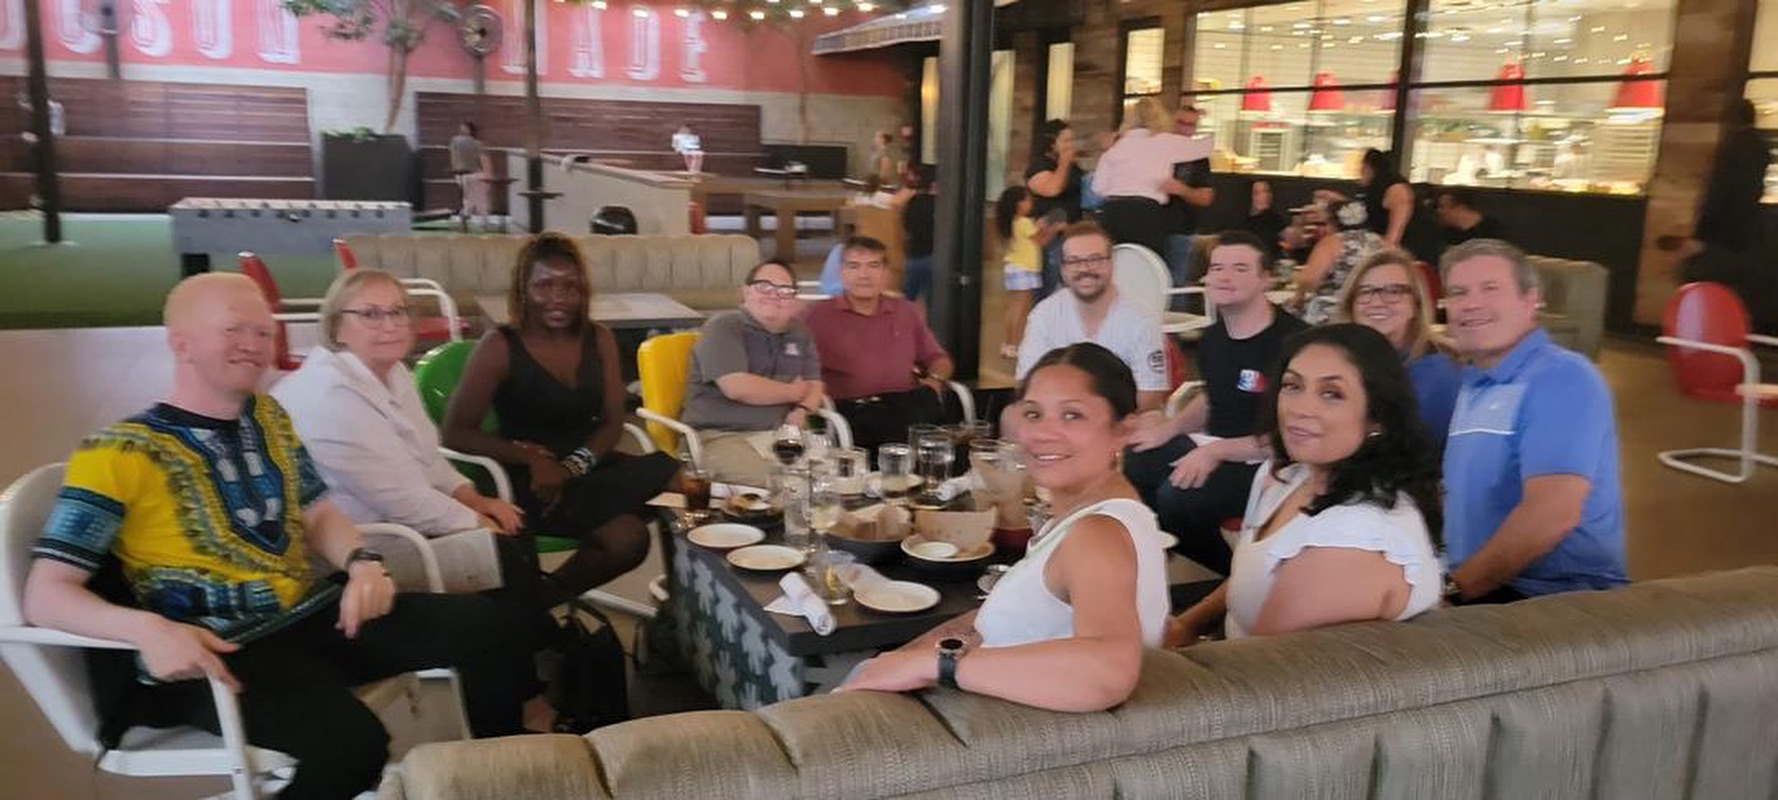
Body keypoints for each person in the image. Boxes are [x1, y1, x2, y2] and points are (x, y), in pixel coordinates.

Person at [24, 274, 533, 799]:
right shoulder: (116, 454)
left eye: (264, 332)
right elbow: (46, 594)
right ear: (180, 341)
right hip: (220, 651)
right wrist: (147, 630)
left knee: (494, 627)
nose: (252, 344)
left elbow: (318, 514)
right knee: (350, 747)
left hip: (309, 616)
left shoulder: (267, 417)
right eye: (233, 329)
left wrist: (361, 561)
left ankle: (499, 778)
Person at [839, 343, 1169, 712]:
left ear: (1124, 431)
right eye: (1033, 413)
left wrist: (936, 665)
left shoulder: (1097, 534)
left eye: (1073, 415)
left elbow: (1107, 671)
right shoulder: (1102, 516)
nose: (1045, 433)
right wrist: (901, 659)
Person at [1164, 324, 1443, 644]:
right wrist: (1188, 623)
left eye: (1331, 394)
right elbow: (1260, 573)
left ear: (1377, 416)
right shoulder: (1294, 476)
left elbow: (1262, 678)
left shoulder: (1351, 539)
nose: (1300, 409)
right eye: (1293, 386)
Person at [442, 233, 680, 607]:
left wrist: (571, 468)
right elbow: (455, 432)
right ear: (523, 288)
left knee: (682, 478)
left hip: (586, 465)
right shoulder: (500, 346)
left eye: (570, 287)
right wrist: (533, 459)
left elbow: (612, 424)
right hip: (526, 480)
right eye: (544, 286)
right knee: (627, 539)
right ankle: (535, 611)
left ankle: (535, 606)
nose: (558, 298)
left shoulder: (598, 338)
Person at [1440, 239, 1628, 604]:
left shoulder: (1560, 377)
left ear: (1531, 300)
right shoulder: (1475, 381)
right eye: (1458, 292)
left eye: (1490, 288)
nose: (1471, 303)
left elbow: (1551, 515)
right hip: (1487, 585)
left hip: (1550, 600)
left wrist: (1453, 592)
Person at [1125, 231, 1309, 574]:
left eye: (1240, 268)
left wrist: (1215, 452)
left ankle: (1224, 577)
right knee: (1136, 458)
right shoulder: (1213, 338)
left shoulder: (1294, 343)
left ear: (1266, 278)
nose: (1225, 277)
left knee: (1177, 495)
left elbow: (1290, 439)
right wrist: (1169, 429)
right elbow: (1213, 397)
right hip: (1218, 447)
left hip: (1272, 463)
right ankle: (1158, 560)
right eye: (1217, 267)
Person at [680, 259, 829, 487]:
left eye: (784, 290)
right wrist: (793, 392)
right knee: (784, 485)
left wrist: (802, 409)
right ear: (745, 292)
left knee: (832, 478)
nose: (774, 295)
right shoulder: (724, 327)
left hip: (782, 435)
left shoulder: (800, 333)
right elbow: (737, 388)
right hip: (721, 436)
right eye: (764, 287)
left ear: (793, 299)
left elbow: (814, 383)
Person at [805, 236, 956, 452]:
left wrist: (936, 379)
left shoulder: (905, 311)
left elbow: (938, 359)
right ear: (842, 273)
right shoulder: (818, 316)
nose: (864, 275)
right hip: (853, 410)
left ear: (886, 274)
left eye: (873, 266)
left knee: (947, 449)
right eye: (854, 266)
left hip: (906, 406)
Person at [1013, 221, 1169, 414]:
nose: (1085, 269)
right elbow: (1026, 383)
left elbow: (1150, 396)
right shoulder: (1044, 314)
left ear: (1111, 262)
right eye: (1074, 261)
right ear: (1062, 269)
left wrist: (1094, 422)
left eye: (1095, 259)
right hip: (1058, 420)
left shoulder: (1141, 319)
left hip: (1121, 423)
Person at [1333, 250, 1462, 452]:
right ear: (1352, 305)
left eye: (1394, 291)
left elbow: (1415, 452)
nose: (1377, 301)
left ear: (1416, 305)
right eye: (1366, 291)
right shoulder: (1338, 360)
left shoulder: (1437, 374)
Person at [1092, 98, 1212, 261]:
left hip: (1113, 213)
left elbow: (1097, 187)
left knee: (1113, 265)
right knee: (1149, 266)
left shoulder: (1116, 147)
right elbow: (1207, 147)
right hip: (1147, 215)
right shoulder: (1165, 142)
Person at [1320, 149, 1440, 262]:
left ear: (1368, 167)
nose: (1359, 172)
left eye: (1361, 167)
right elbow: (1365, 212)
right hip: (1391, 247)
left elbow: (1394, 236)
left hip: (1414, 251)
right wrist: (1338, 199)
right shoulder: (1375, 189)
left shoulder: (1396, 189)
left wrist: (1384, 252)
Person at [1293, 200, 1384, 325]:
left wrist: (1298, 297)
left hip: (1334, 314)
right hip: (1373, 310)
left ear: (1333, 222)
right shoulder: (1382, 242)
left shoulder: (1331, 243)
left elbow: (1310, 280)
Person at [1025, 119, 1085, 299]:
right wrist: (1065, 162)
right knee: (1048, 291)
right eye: (1065, 141)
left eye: (1072, 141)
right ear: (1051, 143)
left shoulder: (1071, 167)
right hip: (1050, 236)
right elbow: (1053, 188)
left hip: (1070, 232)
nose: (1070, 146)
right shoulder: (1039, 166)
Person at [995, 185, 1055, 361]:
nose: (1031, 203)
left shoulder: (1013, 222)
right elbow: (1040, 241)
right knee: (1020, 308)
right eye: (1027, 199)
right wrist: (1051, 229)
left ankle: (1009, 344)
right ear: (1018, 204)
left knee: (1014, 306)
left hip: (1014, 267)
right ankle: (1014, 344)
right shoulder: (1024, 222)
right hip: (1025, 268)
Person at [1163, 99, 1217, 284]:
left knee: (1176, 286)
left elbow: (1206, 197)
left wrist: (1181, 190)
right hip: (1151, 225)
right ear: (1171, 123)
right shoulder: (1157, 149)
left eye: (1190, 125)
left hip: (1182, 230)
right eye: (1181, 123)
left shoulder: (1199, 157)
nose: (1185, 129)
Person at [901, 165, 938, 303]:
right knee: (933, 303)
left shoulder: (913, 202)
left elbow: (906, 226)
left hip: (914, 255)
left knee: (907, 300)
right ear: (935, 184)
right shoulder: (941, 205)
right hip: (934, 257)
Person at [1433, 187, 1510, 247]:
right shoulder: (1447, 233)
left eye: (1442, 207)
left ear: (1460, 208)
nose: (1439, 211)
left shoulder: (1493, 232)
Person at [449, 121, 489, 229]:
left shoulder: (456, 141)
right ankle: (471, 215)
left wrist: (454, 168)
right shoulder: (476, 143)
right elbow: (484, 159)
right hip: (473, 173)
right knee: (476, 198)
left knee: (468, 197)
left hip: (463, 173)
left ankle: (466, 214)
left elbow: (453, 157)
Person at [1243, 179, 1288, 262]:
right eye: (1257, 193)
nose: (1264, 196)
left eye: (1267, 191)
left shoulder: (1276, 220)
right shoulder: (1238, 222)